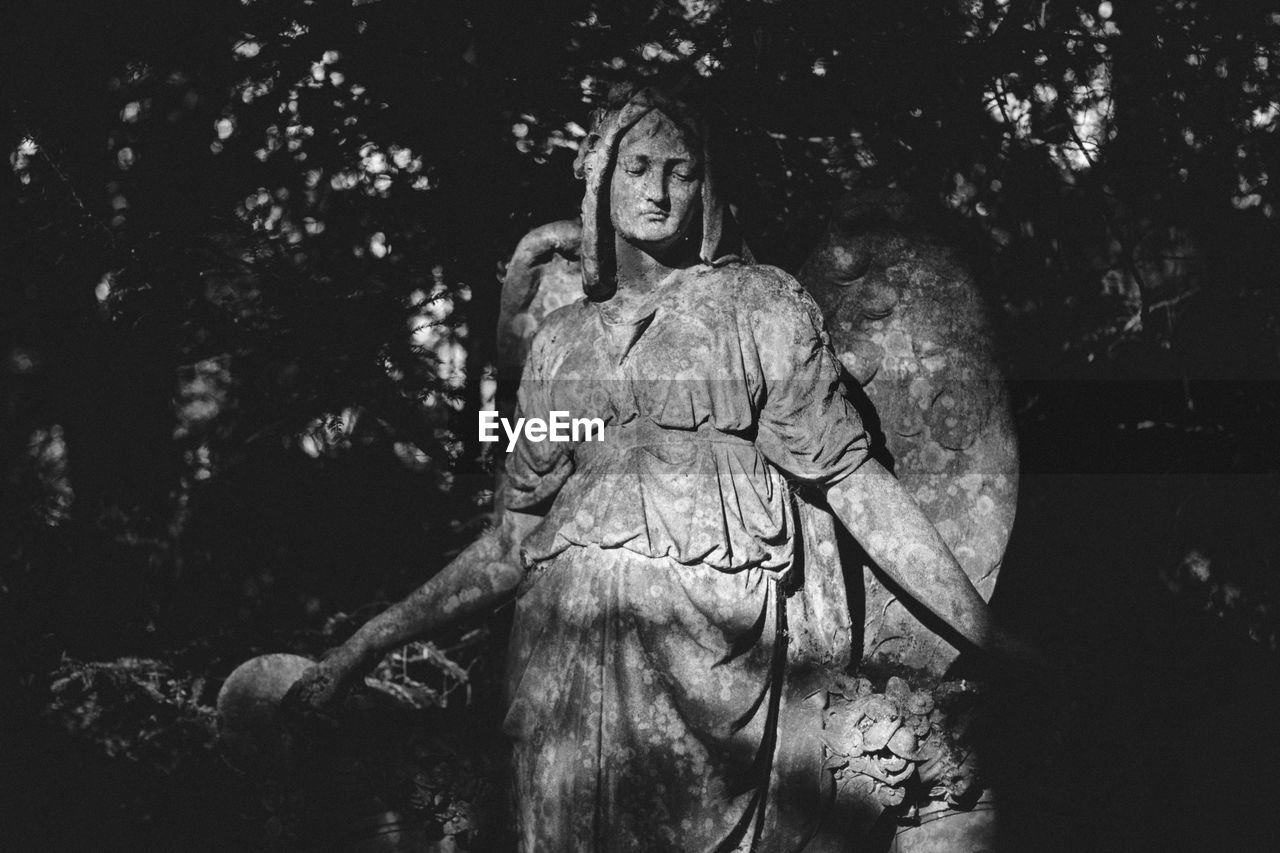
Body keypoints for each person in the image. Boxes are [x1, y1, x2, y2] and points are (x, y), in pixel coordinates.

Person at [286, 86, 1030, 851]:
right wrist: (362, 645)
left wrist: (981, 631)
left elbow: (853, 484)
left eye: (681, 169)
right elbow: (511, 543)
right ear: (601, 187)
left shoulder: (759, 306)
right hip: (564, 677)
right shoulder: (561, 346)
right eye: (637, 166)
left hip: (725, 676)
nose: (658, 189)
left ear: (708, 187)